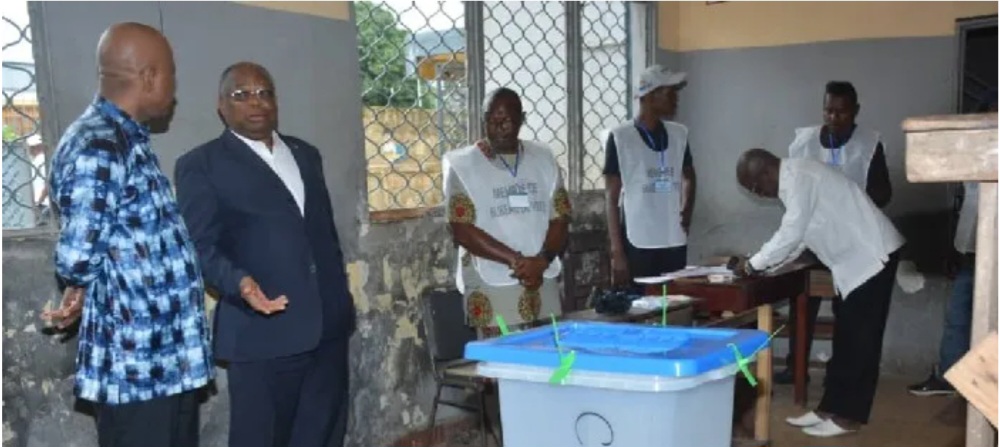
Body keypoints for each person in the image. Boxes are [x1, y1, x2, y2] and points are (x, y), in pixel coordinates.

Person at [43, 23, 213, 447]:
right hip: (137, 367)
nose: (175, 88)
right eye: (172, 74)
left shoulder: (125, 137)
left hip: (163, 360)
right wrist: (80, 281)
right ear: (150, 76)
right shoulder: (101, 145)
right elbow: (78, 257)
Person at [175, 62, 354, 447]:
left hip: (327, 329)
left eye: (264, 93)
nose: (256, 102)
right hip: (263, 333)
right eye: (241, 95)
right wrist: (239, 282)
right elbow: (199, 247)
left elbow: (323, 235)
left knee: (323, 434)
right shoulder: (201, 165)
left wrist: (340, 297)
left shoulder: (306, 154)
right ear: (221, 106)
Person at [732, 149, 904, 437]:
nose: (757, 193)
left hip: (873, 257)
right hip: (855, 264)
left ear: (766, 172)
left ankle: (849, 417)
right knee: (846, 337)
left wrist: (753, 264)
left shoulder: (800, 177)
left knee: (861, 341)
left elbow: (791, 232)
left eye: (755, 186)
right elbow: (802, 237)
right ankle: (829, 408)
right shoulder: (795, 181)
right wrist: (767, 264)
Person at [778, 80, 893, 384]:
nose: (833, 118)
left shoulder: (868, 144)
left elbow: (884, 193)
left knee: (849, 307)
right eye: (828, 111)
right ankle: (795, 367)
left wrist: (850, 200)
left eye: (841, 112)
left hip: (851, 241)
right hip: (814, 239)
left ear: (855, 111)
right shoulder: (804, 143)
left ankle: (839, 370)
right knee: (802, 300)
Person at [443, 87, 571, 339]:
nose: (502, 128)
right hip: (491, 280)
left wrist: (542, 261)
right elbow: (462, 229)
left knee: (547, 352)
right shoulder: (463, 165)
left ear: (522, 119)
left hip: (541, 274)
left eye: (509, 121)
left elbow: (560, 217)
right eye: (494, 121)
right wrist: (517, 262)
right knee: (500, 357)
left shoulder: (543, 158)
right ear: (484, 119)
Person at [908, 91, 996, 396]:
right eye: (987, 117)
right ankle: (949, 378)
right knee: (958, 317)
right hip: (970, 250)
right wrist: (954, 250)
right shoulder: (971, 156)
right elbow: (965, 207)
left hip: (995, 253)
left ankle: (989, 387)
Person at [603, 65, 695, 289]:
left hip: (672, 239)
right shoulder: (621, 138)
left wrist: (686, 211)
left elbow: (689, 177)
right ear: (652, 96)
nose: (676, 99)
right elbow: (611, 198)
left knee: (673, 302)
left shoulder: (678, 135)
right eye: (670, 92)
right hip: (638, 241)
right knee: (641, 303)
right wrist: (617, 252)